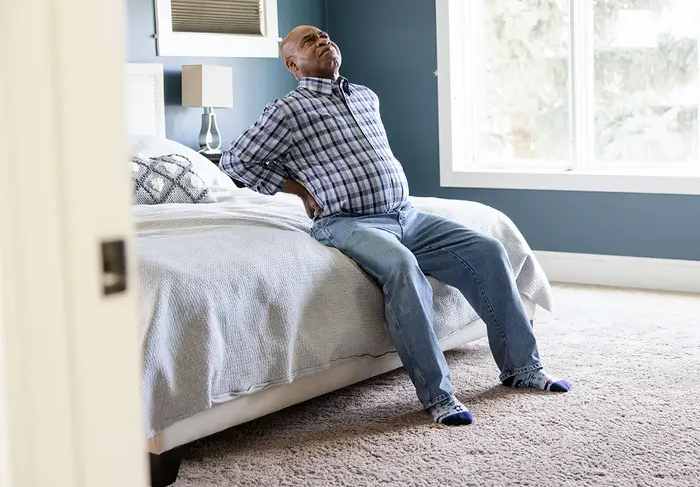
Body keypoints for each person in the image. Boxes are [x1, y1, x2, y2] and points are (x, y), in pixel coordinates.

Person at [220, 25, 570, 426]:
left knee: (488, 250)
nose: (323, 41)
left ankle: (522, 370)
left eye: (325, 35)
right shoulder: (287, 111)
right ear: (291, 63)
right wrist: (300, 189)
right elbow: (234, 162)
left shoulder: (366, 96)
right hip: (345, 221)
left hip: (406, 214)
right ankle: (438, 397)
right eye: (309, 41)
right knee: (402, 267)